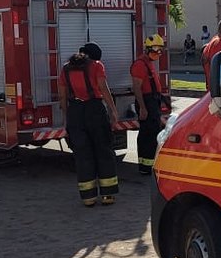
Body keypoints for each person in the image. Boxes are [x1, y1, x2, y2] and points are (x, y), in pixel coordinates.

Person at [59, 42, 120, 206]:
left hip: (75, 112)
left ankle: (88, 197)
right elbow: (103, 88)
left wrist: (66, 118)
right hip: (95, 110)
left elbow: (62, 97)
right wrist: (113, 110)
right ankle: (108, 195)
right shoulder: (97, 66)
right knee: (104, 151)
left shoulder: (66, 69)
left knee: (82, 154)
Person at [130, 34, 166, 175]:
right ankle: (146, 166)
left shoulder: (148, 63)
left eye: (160, 50)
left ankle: (148, 165)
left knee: (152, 133)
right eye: (156, 49)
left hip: (152, 102)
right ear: (148, 49)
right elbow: (137, 87)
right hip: (146, 103)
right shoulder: (140, 64)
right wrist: (143, 108)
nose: (158, 53)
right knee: (148, 134)